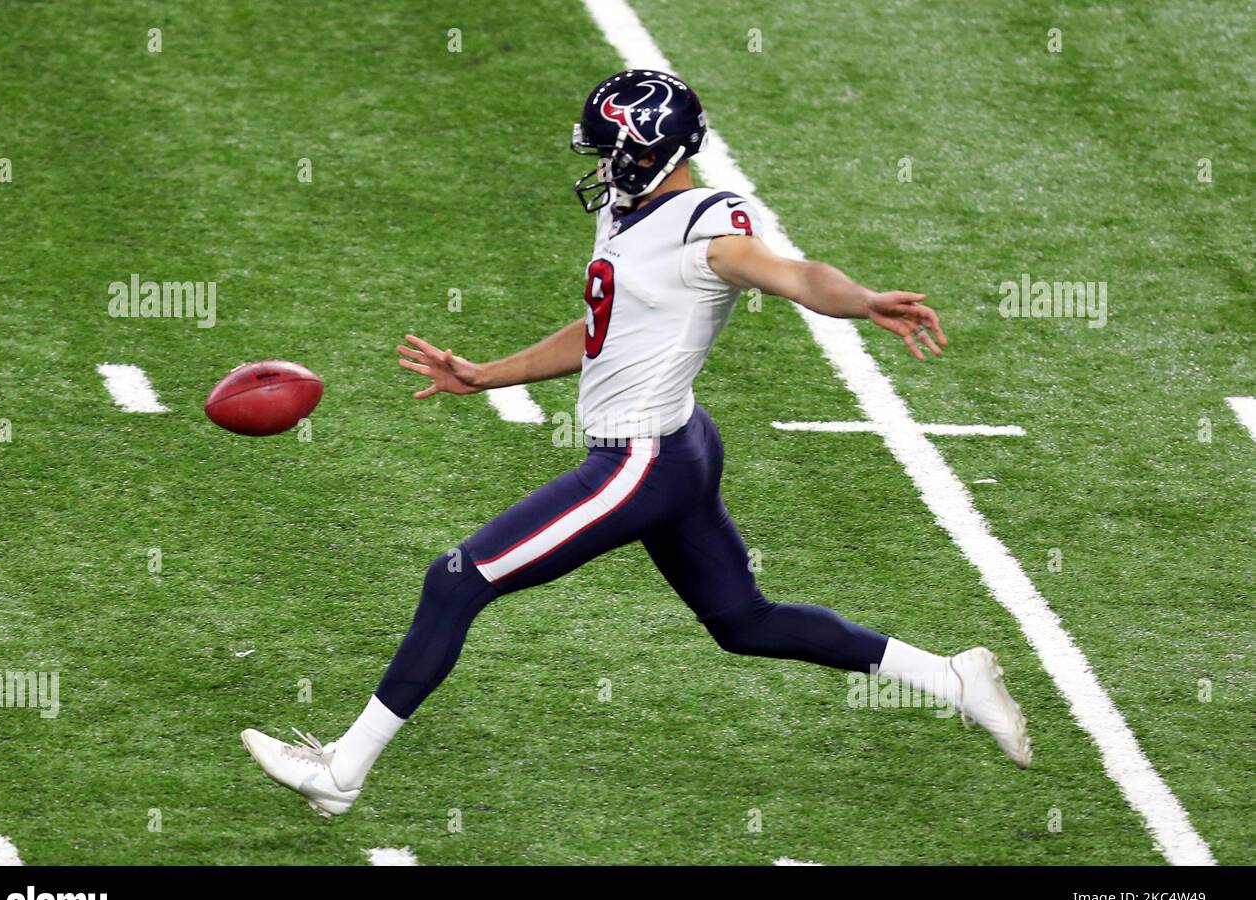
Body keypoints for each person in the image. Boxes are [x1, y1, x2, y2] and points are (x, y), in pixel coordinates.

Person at [242, 69, 1031, 817]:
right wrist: (487, 376)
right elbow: (601, 333)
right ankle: (952, 676)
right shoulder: (628, 212)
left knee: (455, 581)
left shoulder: (706, 227)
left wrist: (864, 302)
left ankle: (342, 772)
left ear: (644, 151)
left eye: (605, 149)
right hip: (679, 443)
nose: (595, 165)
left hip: (641, 459)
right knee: (742, 622)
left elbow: (794, 275)